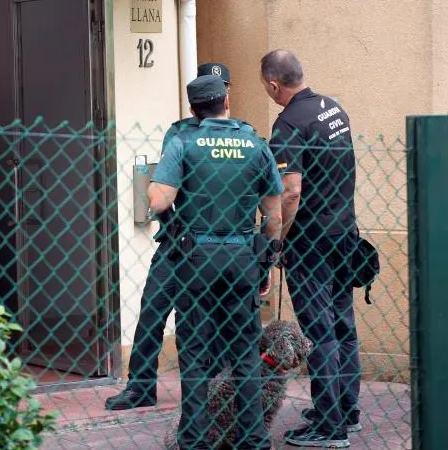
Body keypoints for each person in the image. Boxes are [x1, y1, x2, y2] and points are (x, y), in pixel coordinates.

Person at [104, 62, 260, 411]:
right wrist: (173, 227)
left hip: (226, 244)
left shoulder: (244, 136)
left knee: (221, 318)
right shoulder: (180, 133)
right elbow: (163, 186)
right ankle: (141, 386)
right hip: (181, 241)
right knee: (153, 310)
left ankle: (219, 388)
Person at [148, 74, 284, 449]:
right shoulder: (254, 143)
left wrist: (155, 182)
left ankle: (194, 440)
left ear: (193, 108)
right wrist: (267, 256)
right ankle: (253, 439)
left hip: (197, 259)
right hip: (242, 256)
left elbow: (159, 201)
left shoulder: (183, 141)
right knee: (244, 351)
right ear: (226, 100)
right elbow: (274, 214)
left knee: (194, 352)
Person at [259, 49, 361, 448]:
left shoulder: (288, 125)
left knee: (320, 332)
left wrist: (278, 239)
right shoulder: (333, 109)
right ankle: (345, 410)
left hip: (312, 243)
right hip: (344, 235)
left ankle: (329, 427)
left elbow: (291, 191)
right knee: (342, 325)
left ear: (273, 84)